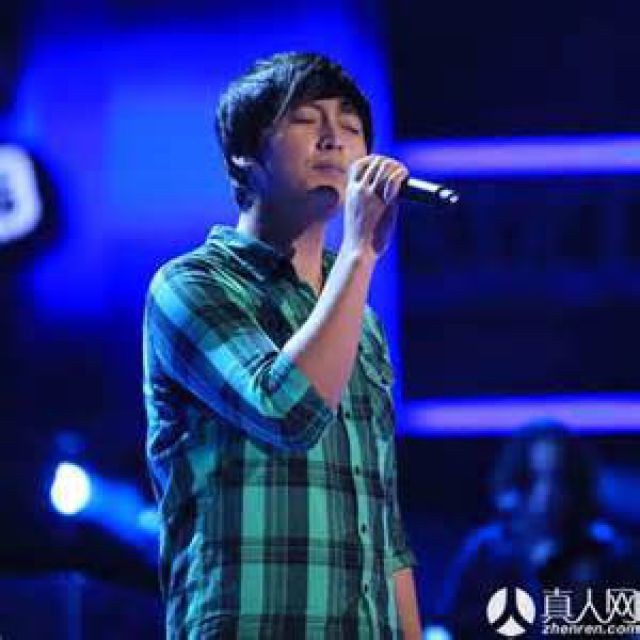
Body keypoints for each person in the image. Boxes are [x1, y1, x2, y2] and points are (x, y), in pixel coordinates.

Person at [143, 52, 421, 639]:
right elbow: (287, 410)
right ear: (245, 154)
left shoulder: (362, 321)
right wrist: (360, 250)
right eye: (306, 120)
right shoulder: (191, 285)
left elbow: (383, 525)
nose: (333, 139)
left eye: (350, 126)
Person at [435, 420, 638, 639]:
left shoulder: (606, 555)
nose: (546, 495)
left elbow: (629, 629)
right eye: (534, 479)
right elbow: (446, 628)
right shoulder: (485, 552)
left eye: (558, 480)